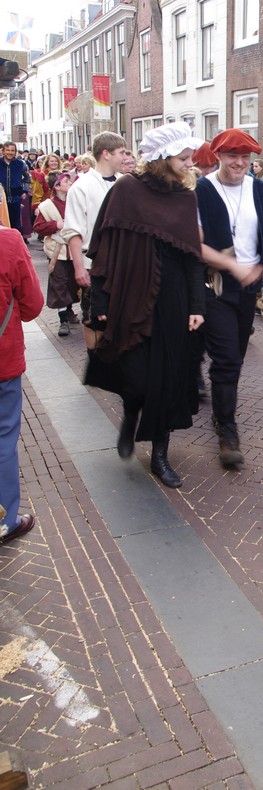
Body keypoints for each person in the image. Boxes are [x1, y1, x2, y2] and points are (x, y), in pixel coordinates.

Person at [84, 123, 205, 489]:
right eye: (183, 158)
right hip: (130, 296)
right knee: (136, 379)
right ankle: (130, 415)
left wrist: (196, 304)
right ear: (161, 158)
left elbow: (192, 257)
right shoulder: (125, 190)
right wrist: (100, 299)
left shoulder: (185, 198)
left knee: (167, 378)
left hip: (173, 301)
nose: (190, 163)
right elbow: (103, 247)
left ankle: (160, 455)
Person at [196, 129, 263, 467]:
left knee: (237, 355)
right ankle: (227, 430)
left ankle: (221, 409)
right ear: (218, 156)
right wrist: (232, 265)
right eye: (233, 156)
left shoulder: (259, 189)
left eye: (245, 157)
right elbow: (196, 244)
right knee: (227, 359)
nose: (240, 163)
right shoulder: (203, 190)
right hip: (216, 286)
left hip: (250, 288)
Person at [0, 225, 44, 545]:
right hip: (3, 361)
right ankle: (5, 521)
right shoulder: (8, 241)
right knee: (3, 438)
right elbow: (32, 306)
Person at [62, 132, 125, 347]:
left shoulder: (125, 183)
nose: (125, 157)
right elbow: (73, 231)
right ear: (106, 154)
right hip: (93, 265)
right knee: (93, 320)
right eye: (121, 152)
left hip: (122, 265)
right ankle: (95, 359)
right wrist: (79, 268)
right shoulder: (81, 187)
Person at [33, 171, 80, 337]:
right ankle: (63, 320)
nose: (70, 184)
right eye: (66, 182)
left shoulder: (75, 202)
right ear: (57, 186)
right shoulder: (47, 206)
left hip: (75, 250)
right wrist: (55, 225)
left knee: (73, 283)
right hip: (57, 251)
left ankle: (69, 310)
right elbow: (38, 227)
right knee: (59, 283)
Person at [0, 142, 27, 232]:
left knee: (16, 224)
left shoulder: (21, 164)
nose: (10, 152)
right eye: (7, 150)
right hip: (1, 198)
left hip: (15, 198)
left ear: (15, 152)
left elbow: (27, 178)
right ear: (3, 151)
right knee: (3, 224)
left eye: (12, 150)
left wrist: (25, 191)